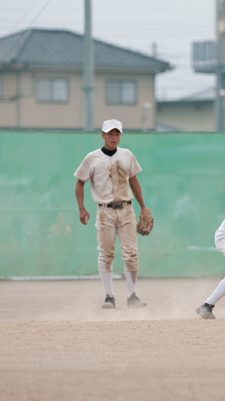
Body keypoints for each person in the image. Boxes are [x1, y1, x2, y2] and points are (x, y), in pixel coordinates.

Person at [74, 119, 149, 309]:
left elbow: (134, 181)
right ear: (103, 135)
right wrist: (82, 208)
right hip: (104, 211)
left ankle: (132, 296)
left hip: (127, 209)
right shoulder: (92, 158)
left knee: (131, 254)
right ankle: (109, 296)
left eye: (117, 134)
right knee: (106, 254)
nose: (114, 137)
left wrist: (143, 207)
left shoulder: (127, 155)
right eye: (110, 134)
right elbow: (80, 182)